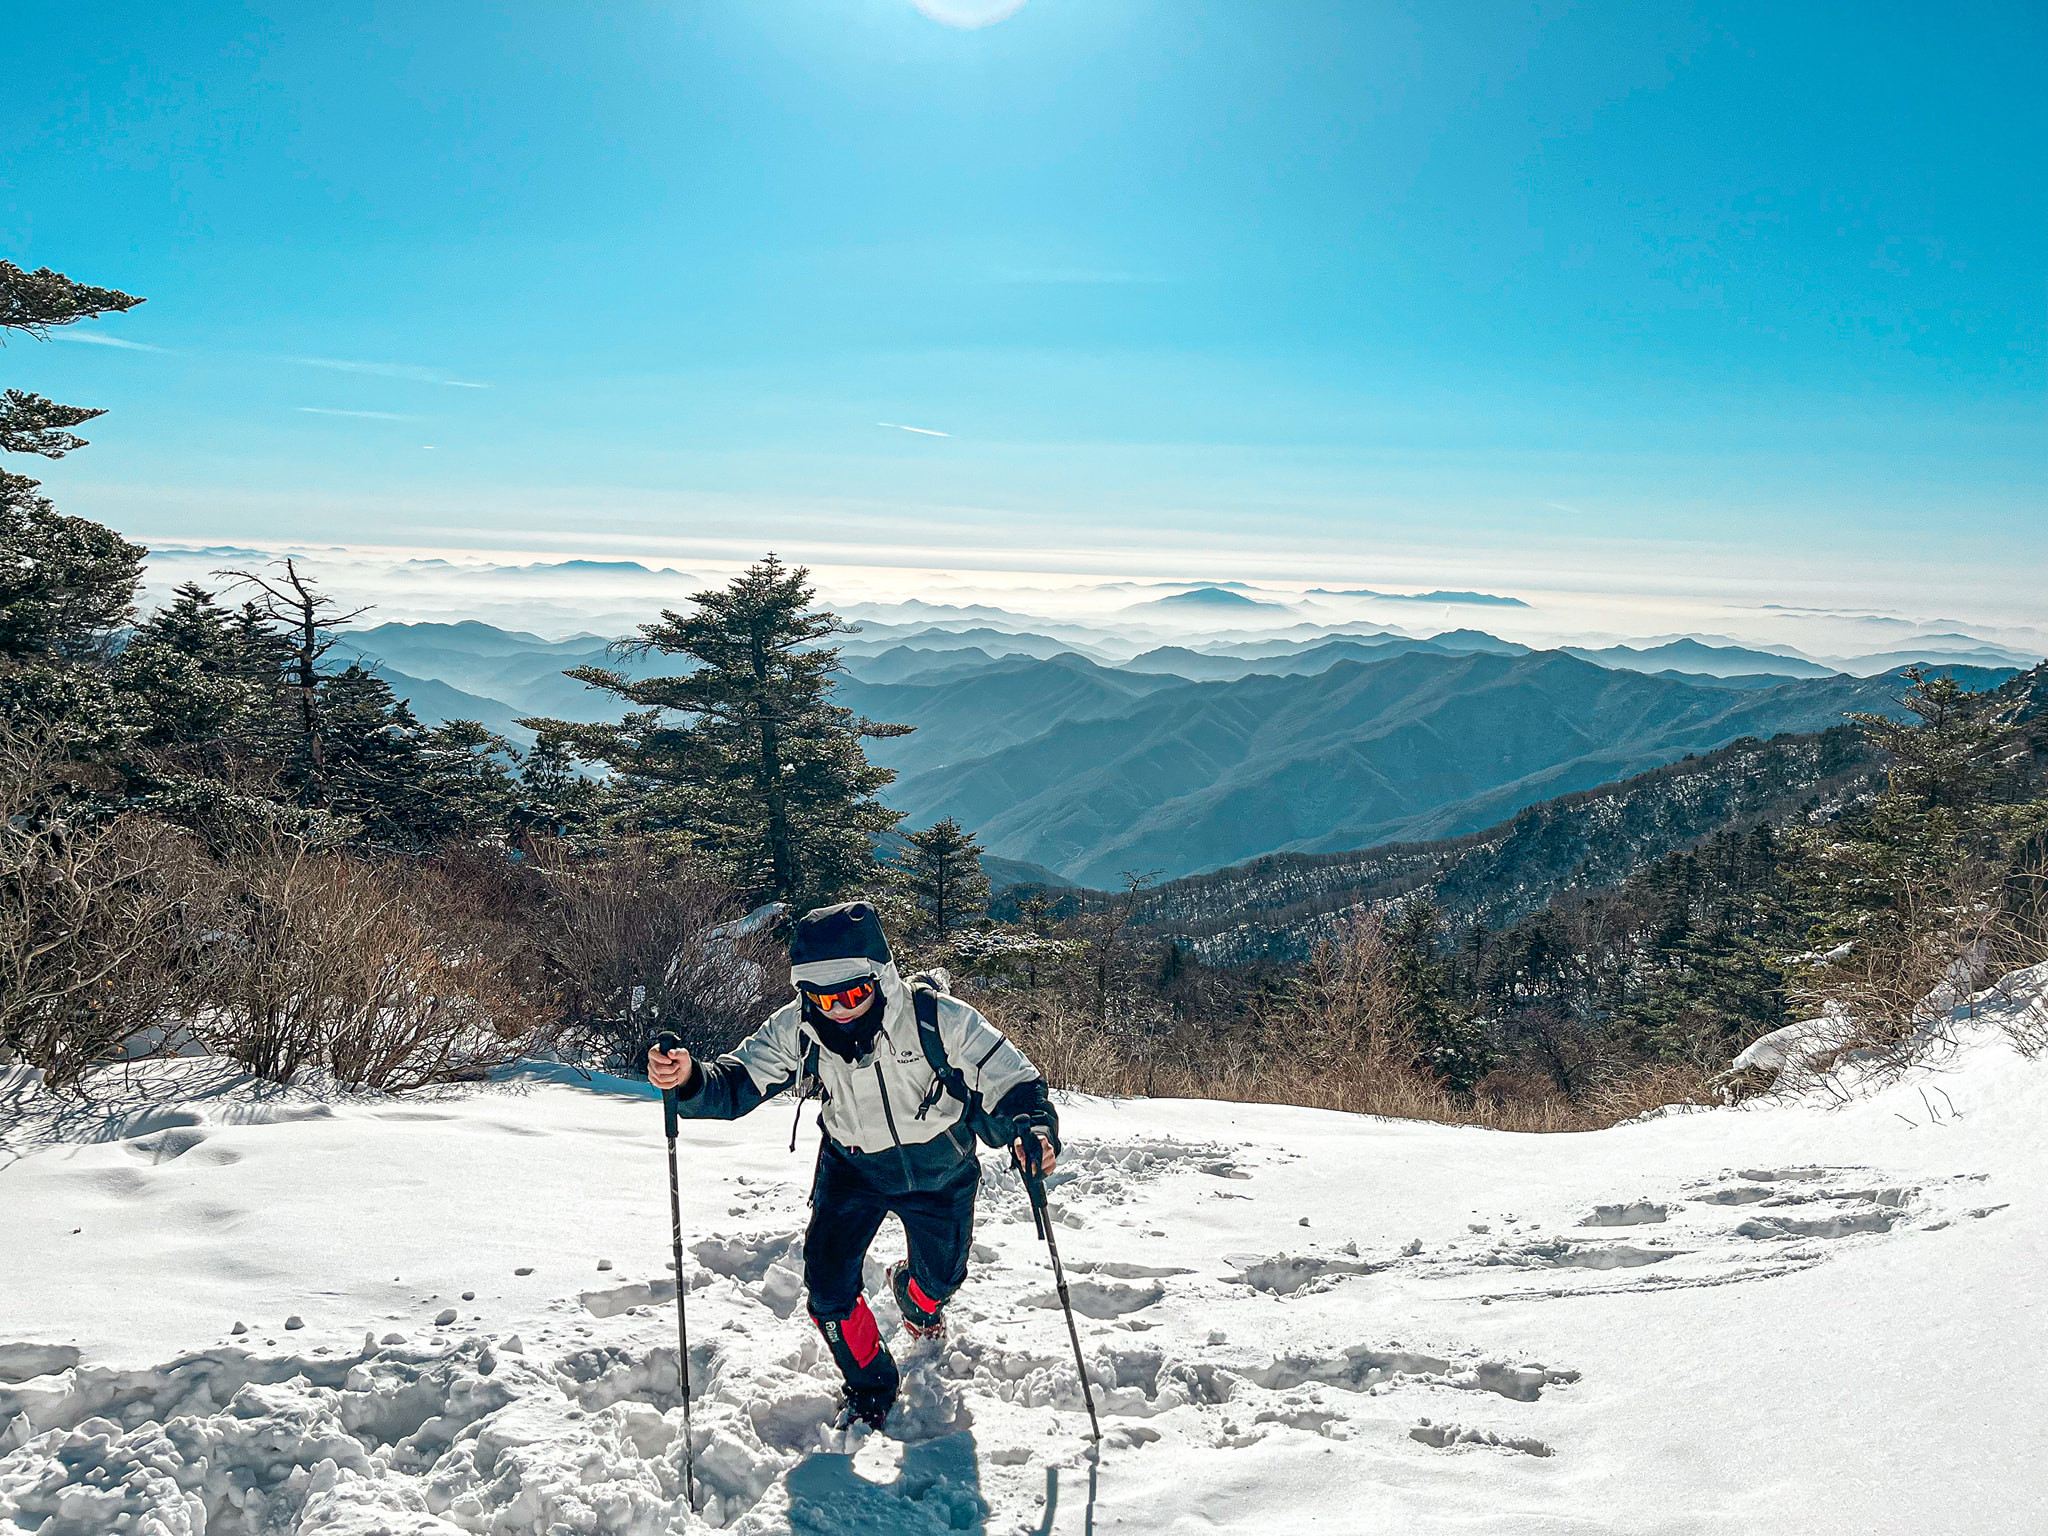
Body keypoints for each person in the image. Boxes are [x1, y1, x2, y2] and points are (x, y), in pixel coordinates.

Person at [647, 898, 1059, 1430]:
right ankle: (870, 1385)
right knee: (828, 1285)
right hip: (853, 1168)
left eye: (853, 994)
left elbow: (1014, 1079)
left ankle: (917, 1298)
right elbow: (736, 1082)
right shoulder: (798, 1028)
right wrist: (686, 1080)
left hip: (941, 1169)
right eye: (822, 997)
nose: (838, 1009)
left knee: (941, 1278)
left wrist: (1036, 1130)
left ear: (880, 978)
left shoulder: (936, 1019)